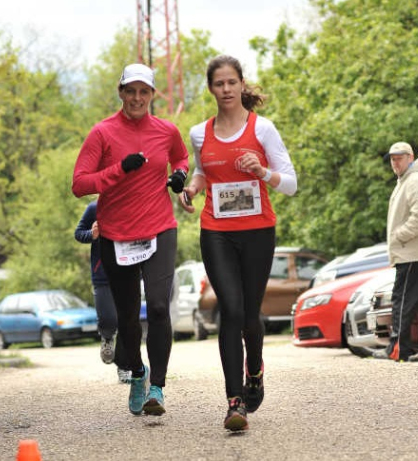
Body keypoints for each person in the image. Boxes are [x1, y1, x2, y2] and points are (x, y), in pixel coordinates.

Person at [179, 55, 297, 431]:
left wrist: (263, 172)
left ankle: (256, 369)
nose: (226, 90)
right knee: (230, 309)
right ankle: (234, 402)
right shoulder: (200, 132)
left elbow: (291, 183)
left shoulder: (263, 129)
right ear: (210, 88)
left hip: (258, 230)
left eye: (232, 82)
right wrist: (192, 189)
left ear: (241, 84)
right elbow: (201, 170)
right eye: (219, 84)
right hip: (216, 230)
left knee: (249, 315)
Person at [72, 63, 189, 417]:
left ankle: (157, 388)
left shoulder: (166, 131)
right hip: (116, 235)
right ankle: (138, 372)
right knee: (126, 318)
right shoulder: (102, 133)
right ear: (121, 93)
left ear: (152, 95)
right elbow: (79, 184)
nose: (137, 98)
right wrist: (119, 169)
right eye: (131, 91)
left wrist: (180, 174)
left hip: (158, 228)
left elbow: (180, 156)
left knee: (156, 306)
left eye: (145, 91)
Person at [375, 142, 418, 362]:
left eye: (399, 158)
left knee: (402, 300)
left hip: (413, 252)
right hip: (416, 252)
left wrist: (399, 235)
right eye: (392, 159)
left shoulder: (415, 181)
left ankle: (399, 348)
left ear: (410, 157)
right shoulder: (408, 180)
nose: (395, 162)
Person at [74, 199, 120, 371]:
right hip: (102, 273)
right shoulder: (94, 207)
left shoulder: (131, 203)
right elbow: (78, 233)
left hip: (128, 271)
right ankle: (107, 338)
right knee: (108, 318)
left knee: (127, 322)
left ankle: (124, 365)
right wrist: (91, 235)